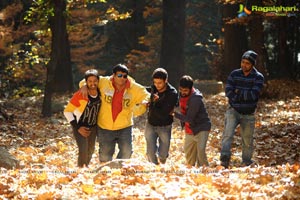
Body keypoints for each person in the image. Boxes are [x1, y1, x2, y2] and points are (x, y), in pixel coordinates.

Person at [79, 64, 150, 162]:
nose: (122, 78)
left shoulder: (133, 87)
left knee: (127, 152)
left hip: (124, 126)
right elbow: (87, 81)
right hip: (105, 126)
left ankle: (118, 170)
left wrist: (144, 103)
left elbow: (146, 95)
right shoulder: (103, 82)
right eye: (119, 76)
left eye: (125, 76)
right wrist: (84, 86)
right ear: (113, 75)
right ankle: (106, 173)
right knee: (105, 156)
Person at [220, 50, 264, 168]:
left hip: (248, 113)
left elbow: (253, 95)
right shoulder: (234, 74)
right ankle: (224, 160)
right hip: (233, 110)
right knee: (227, 135)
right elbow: (228, 91)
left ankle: (246, 162)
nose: (244, 65)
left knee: (247, 141)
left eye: (247, 63)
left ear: (252, 64)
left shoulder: (258, 77)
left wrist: (237, 92)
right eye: (242, 62)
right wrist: (241, 95)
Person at [64, 69, 101, 167]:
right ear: (86, 82)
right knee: (83, 150)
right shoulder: (81, 94)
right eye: (89, 81)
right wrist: (77, 127)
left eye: (95, 81)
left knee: (91, 150)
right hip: (80, 126)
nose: (92, 83)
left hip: (93, 127)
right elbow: (67, 111)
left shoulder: (101, 93)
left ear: (98, 81)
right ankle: (81, 171)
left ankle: (85, 168)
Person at [173, 75, 211, 167]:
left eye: (185, 90)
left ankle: (206, 172)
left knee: (201, 152)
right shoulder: (180, 95)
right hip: (189, 129)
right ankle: (191, 173)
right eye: (181, 90)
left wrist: (175, 114)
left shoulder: (195, 99)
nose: (183, 92)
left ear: (191, 89)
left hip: (201, 127)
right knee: (189, 155)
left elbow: (190, 118)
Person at [144, 68, 178, 165]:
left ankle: (162, 161)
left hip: (165, 126)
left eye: (160, 83)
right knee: (150, 153)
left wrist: (153, 103)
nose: (157, 85)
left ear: (166, 80)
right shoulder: (153, 89)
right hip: (151, 124)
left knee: (163, 155)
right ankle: (155, 169)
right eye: (155, 82)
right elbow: (142, 90)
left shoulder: (172, 93)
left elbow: (164, 112)